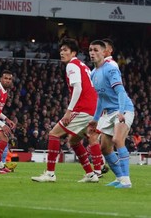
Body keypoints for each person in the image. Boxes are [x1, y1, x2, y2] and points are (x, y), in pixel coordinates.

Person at [32, 38, 99, 183]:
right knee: (74, 140)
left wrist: (69, 111)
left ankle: (50, 174)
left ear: (73, 52)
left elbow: (78, 88)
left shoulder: (72, 65)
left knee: (54, 134)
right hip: (92, 108)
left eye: (65, 50)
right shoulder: (83, 66)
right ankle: (91, 174)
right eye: (61, 50)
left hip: (83, 109)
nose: (62, 53)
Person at [88, 40, 135, 188]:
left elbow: (120, 91)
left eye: (96, 50)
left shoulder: (111, 69)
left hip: (123, 108)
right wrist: (95, 119)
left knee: (117, 139)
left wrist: (121, 112)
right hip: (108, 112)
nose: (92, 53)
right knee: (105, 148)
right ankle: (119, 178)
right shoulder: (94, 73)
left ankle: (126, 181)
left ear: (104, 52)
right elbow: (101, 99)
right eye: (90, 50)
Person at [86, 38, 116, 176]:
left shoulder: (111, 65)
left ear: (108, 51)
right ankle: (104, 167)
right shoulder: (98, 68)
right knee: (104, 146)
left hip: (109, 111)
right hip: (104, 110)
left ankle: (99, 169)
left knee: (94, 138)